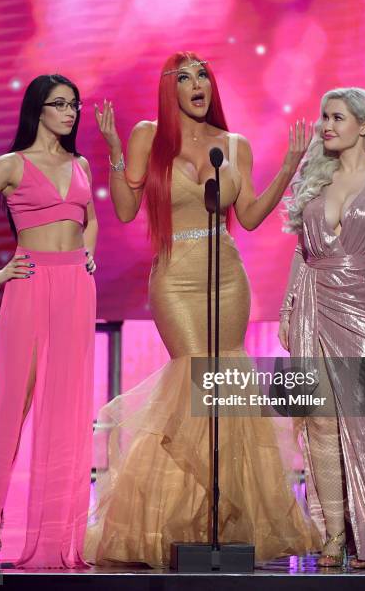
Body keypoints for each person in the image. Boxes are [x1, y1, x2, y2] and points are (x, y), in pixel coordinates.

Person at [84, 51, 320, 567]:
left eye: (204, 77)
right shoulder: (150, 135)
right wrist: (114, 150)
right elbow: (126, 213)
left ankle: (216, 519)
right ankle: (166, 522)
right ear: (170, 90)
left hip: (226, 276)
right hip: (175, 277)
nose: (197, 85)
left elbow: (252, 216)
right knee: (194, 378)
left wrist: (288, 165)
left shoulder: (234, 145)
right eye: (185, 78)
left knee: (225, 386)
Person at [0, 74, 98, 569]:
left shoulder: (80, 165)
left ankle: (59, 538)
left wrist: (89, 253)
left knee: (68, 411)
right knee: (14, 406)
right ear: (38, 110)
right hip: (29, 286)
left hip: (76, 287)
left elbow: (89, 216)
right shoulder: (13, 165)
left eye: (74, 105)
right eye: (61, 104)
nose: (71, 112)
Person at [278, 87, 365, 569]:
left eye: (336, 117)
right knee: (317, 420)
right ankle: (333, 534)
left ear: (364, 125)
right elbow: (301, 252)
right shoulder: (315, 178)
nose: (325, 125)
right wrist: (288, 308)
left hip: (364, 308)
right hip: (313, 302)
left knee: (362, 425)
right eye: (323, 117)